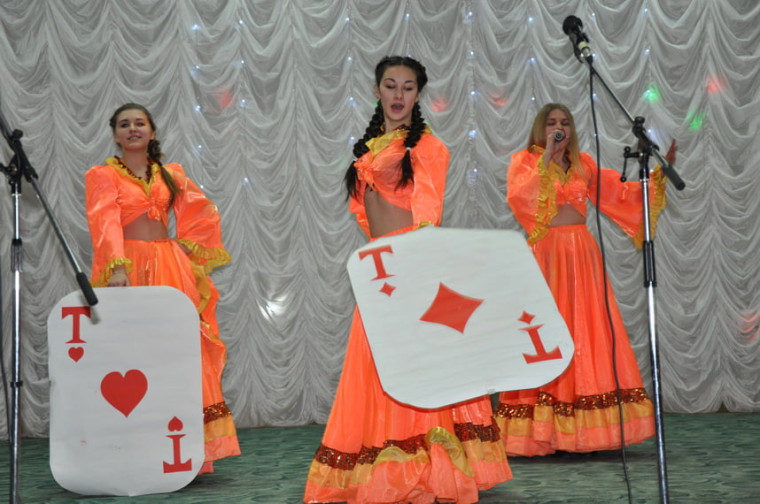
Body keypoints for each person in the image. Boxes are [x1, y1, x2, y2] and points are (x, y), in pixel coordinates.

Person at [303, 56, 512, 504]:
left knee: (416, 365)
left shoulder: (426, 146)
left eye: (408, 87)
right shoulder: (374, 145)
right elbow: (366, 211)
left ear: (419, 94)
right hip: (381, 267)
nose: (398, 95)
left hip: (410, 263)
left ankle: (424, 469)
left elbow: (427, 210)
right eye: (391, 86)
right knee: (380, 366)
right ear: (377, 90)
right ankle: (387, 464)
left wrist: (414, 265)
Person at [494, 103, 677, 456]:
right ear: (540, 128)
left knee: (587, 330)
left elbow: (618, 192)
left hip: (582, 255)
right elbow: (522, 198)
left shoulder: (584, 164)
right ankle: (542, 431)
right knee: (546, 332)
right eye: (551, 123)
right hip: (545, 256)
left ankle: (588, 429)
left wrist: (657, 176)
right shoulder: (526, 161)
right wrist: (547, 156)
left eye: (564, 123)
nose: (558, 128)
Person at [85, 103, 240, 473]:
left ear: (152, 132)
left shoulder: (170, 173)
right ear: (115, 134)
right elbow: (104, 222)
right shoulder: (103, 174)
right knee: (137, 355)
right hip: (131, 268)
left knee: (183, 353)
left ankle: (191, 452)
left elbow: (202, 213)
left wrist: (186, 252)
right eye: (124, 124)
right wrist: (117, 267)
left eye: (140, 123)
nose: (133, 129)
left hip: (171, 268)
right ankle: (141, 448)